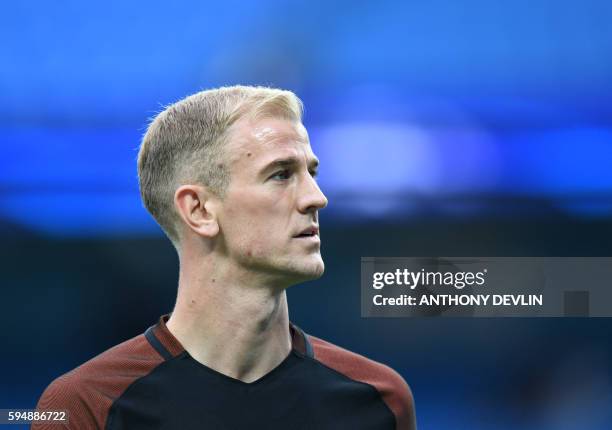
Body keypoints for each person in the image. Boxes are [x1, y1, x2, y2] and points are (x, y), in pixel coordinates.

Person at [33, 85, 417, 429]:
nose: (316, 197)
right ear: (198, 209)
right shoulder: (84, 407)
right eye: (282, 174)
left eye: (311, 172)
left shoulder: (379, 400)